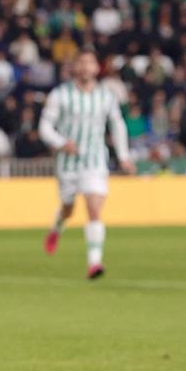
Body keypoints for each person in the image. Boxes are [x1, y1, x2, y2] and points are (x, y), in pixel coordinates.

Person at [38, 49, 134, 278]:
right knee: (68, 208)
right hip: (68, 163)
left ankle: (94, 262)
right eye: (81, 62)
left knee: (94, 208)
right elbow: (44, 127)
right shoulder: (60, 95)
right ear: (74, 68)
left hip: (95, 161)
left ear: (96, 68)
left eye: (89, 62)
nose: (85, 67)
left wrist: (123, 156)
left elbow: (117, 125)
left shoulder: (106, 96)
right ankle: (56, 228)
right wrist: (61, 142)